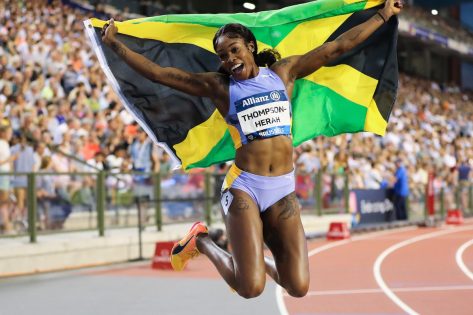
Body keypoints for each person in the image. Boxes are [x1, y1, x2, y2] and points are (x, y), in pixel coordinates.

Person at [101, 0, 402, 298]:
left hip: (282, 188)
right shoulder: (221, 87)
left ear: (251, 47)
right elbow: (159, 74)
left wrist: (383, 14)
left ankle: (255, 263)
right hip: (245, 187)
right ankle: (201, 240)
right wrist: (116, 45)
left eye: (234, 50)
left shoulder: (284, 73)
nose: (229, 59)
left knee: (298, 287)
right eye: (223, 55)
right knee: (250, 288)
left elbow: (336, 47)